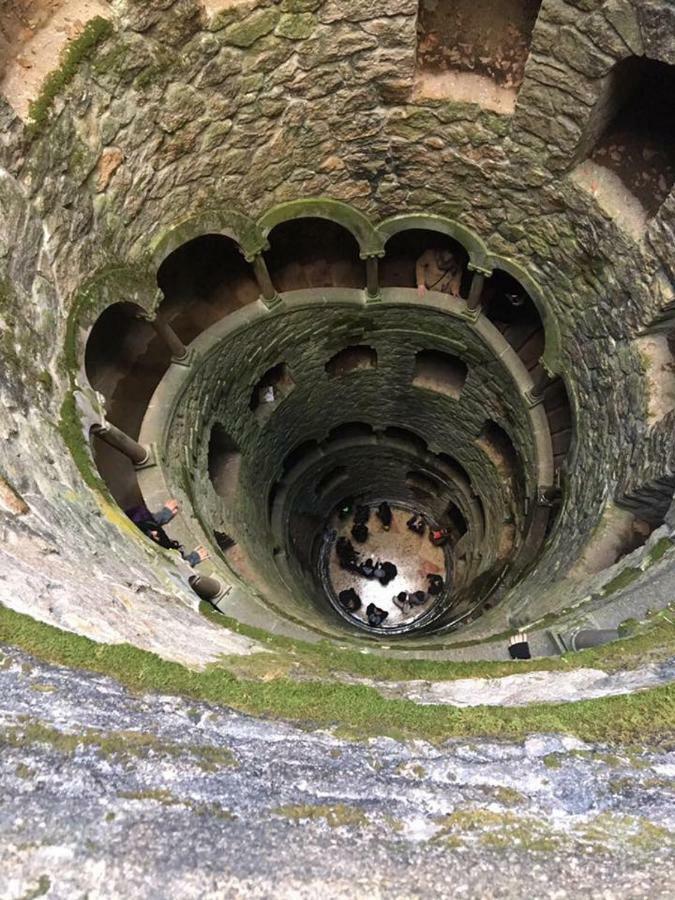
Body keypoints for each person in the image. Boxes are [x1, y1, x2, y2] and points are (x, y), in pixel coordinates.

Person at [128, 501, 208, 568]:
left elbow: (136, 521)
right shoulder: (147, 560)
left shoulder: (133, 524)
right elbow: (171, 569)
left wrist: (160, 517)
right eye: (151, 535)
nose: (155, 533)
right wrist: (191, 560)